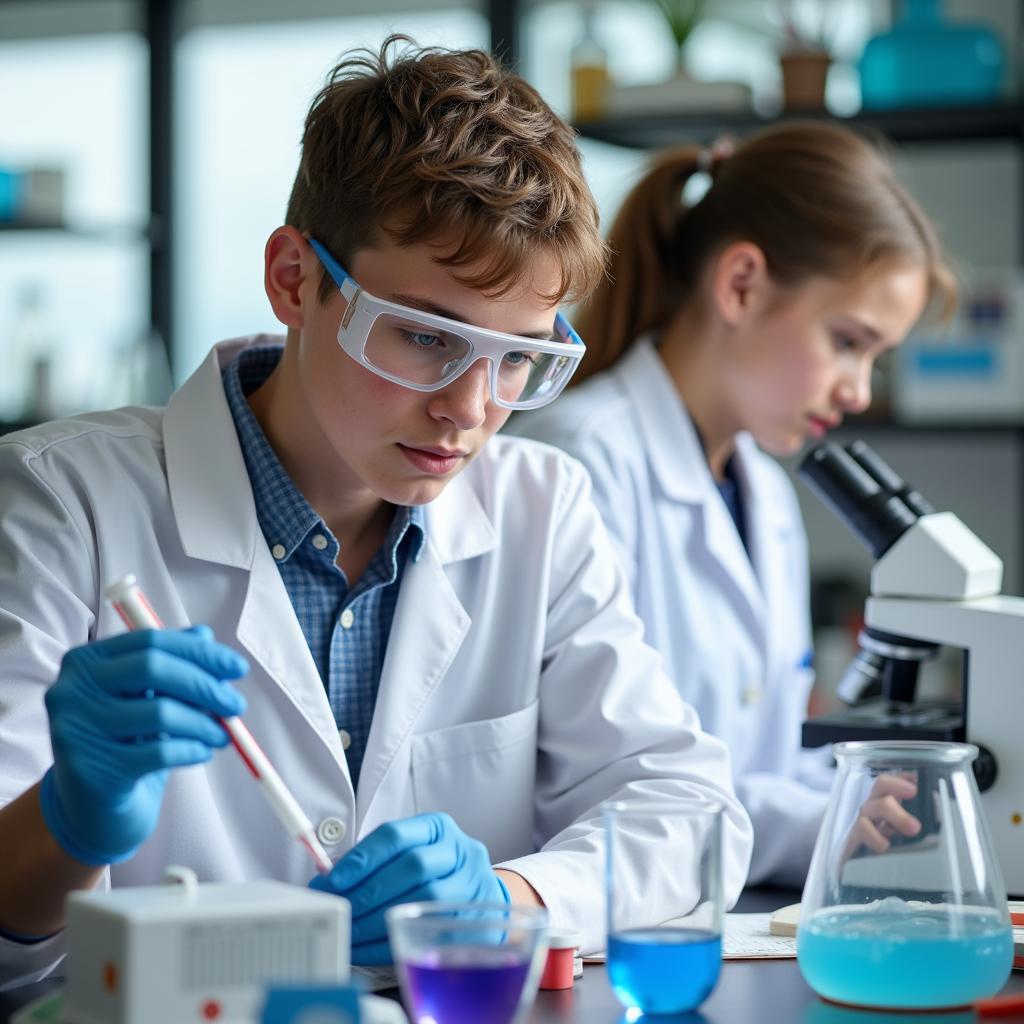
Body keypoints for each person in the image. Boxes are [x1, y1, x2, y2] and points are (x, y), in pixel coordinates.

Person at [0, 37, 754, 987]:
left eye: (518, 357)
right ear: (294, 282)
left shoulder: (540, 508)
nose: (471, 409)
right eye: (424, 335)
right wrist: (69, 817)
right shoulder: (61, 502)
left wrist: (504, 902)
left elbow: (690, 816)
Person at [512, 122, 954, 887]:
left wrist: (869, 792)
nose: (858, 390)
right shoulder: (579, 457)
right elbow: (580, 789)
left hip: (730, 911)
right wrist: (826, 817)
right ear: (741, 284)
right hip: (613, 933)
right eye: (849, 341)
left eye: (875, 358)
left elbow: (763, 765)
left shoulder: (766, 490)